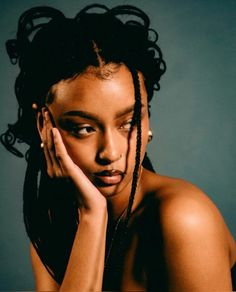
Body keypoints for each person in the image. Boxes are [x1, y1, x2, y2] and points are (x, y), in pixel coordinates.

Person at [1, 3, 235, 291]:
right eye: (84, 128)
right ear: (44, 126)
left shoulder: (183, 219)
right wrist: (92, 217)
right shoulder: (55, 220)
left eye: (129, 122)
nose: (111, 153)